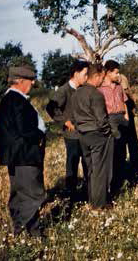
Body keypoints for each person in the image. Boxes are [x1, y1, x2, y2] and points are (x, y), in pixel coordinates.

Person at [0, 66, 46, 236]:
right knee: (34, 195)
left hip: (16, 157)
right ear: (20, 81)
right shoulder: (17, 101)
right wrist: (39, 135)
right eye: (30, 80)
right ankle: (19, 230)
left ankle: (33, 233)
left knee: (20, 196)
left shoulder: (8, 99)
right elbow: (24, 129)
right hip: (25, 156)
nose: (33, 83)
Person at [71, 64, 114, 210]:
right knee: (100, 170)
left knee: (89, 169)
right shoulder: (96, 94)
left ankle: (91, 199)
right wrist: (109, 132)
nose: (102, 81)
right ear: (96, 76)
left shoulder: (76, 93)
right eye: (102, 78)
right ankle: (100, 203)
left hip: (82, 135)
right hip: (97, 135)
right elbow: (102, 120)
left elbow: (73, 116)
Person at [46, 60, 89, 196]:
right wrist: (65, 121)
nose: (87, 78)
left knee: (88, 162)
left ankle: (88, 190)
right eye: (85, 74)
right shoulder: (64, 91)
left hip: (85, 133)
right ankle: (70, 193)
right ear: (76, 74)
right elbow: (51, 108)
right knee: (72, 163)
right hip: (72, 135)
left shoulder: (83, 89)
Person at [98, 60, 129, 193]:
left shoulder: (119, 87)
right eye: (116, 72)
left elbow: (125, 101)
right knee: (113, 151)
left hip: (121, 118)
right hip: (110, 119)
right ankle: (113, 183)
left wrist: (126, 116)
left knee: (122, 150)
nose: (118, 75)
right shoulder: (99, 89)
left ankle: (122, 178)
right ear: (108, 73)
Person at [119, 73, 138, 170]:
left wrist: (132, 108)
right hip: (117, 115)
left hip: (128, 110)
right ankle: (122, 168)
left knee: (133, 142)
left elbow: (129, 93)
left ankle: (136, 166)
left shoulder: (122, 77)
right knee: (121, 144)